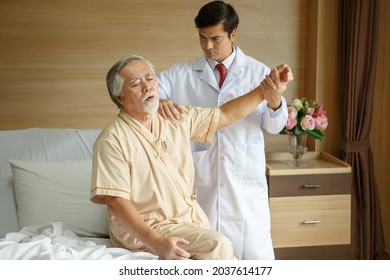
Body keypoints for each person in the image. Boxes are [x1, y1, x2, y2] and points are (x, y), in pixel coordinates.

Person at [90, 54, 292, 260]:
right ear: (119, 97)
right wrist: (156, 242)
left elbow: (225, 115)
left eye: (150, 79)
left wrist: (266, 89)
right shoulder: (112, 140)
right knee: (218, 245)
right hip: (146, 230)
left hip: (186, 221)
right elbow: (116, 202)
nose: (147, 87)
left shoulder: (175, 117)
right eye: (135, 83)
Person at [157, 1, 289, 260]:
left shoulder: (258, 72)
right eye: (202, 38)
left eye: (215, 39)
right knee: (205, 260)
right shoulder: (179, 74)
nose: (208, 46)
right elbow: (145, 100)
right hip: (201, 187)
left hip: (245, 190)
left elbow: (275, 126)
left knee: (255, 263)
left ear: (233, 34)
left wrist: (274, 101)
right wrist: (160, 102)